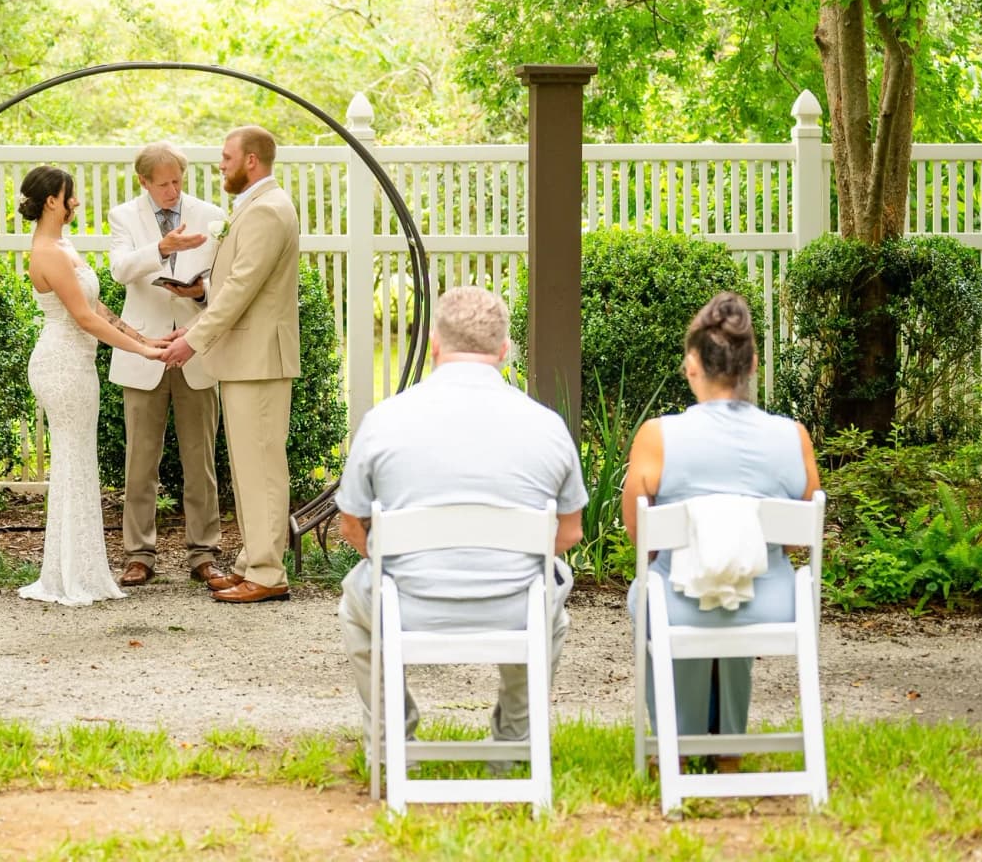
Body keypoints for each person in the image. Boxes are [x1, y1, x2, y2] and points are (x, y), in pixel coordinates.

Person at [333, 286, 585, 743]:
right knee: (550, 599)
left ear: (434, 345)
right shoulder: (547, 426)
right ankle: (516, 738)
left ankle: (392, 737)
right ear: (504, 351)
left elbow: (351, 526)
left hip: (407, 602)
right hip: (516, 606)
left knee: (355, 602)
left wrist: (396, 562)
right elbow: (569, 532)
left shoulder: (384, 421)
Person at [621, 291, 821, 758]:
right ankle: (728, 746)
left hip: (677, 605)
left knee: (663, 584)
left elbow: (641, 538)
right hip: (773, 604)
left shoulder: (658, 436)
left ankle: (676, 745)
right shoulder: (792, 437)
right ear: (752, 365)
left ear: (692, 365)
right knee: (741, 573)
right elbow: (797, 539)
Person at [156, 125, 300, 604]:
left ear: (251, 160)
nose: (220, 164)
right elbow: (231, 287)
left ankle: (268, 573)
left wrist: (194, 341)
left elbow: (241, 288)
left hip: (259, 360)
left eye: (226, 157)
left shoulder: (268, 210)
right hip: (246, 359)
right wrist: (191, 327)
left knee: (262, 469)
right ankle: (251, 562)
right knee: (248, 469)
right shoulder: (257, 206)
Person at [17, 165, 166, 606]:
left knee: (80, 461)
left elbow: (96, 307)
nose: (77, 202)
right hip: (61, 365)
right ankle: (67, 575)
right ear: (52, 201)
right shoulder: (47, 252)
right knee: (71, 462)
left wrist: (144, 338)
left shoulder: (64, 245)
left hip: (78, 364)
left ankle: (78, 569)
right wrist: (142, 353)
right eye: (71, 195)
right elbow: (82, 319)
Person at [106, 142, 227, 587]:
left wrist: (200, 292)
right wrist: (162, 247)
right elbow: (120, 270)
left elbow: (224, 281)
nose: (173, 191)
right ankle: (139, 555)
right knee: (140, 463)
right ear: (143, 182)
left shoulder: (211, 214)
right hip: (145, 350)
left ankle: (204, 554)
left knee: (201, 462)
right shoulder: (123, 216)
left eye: (178, 181)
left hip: (195, 348)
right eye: (163, 184)